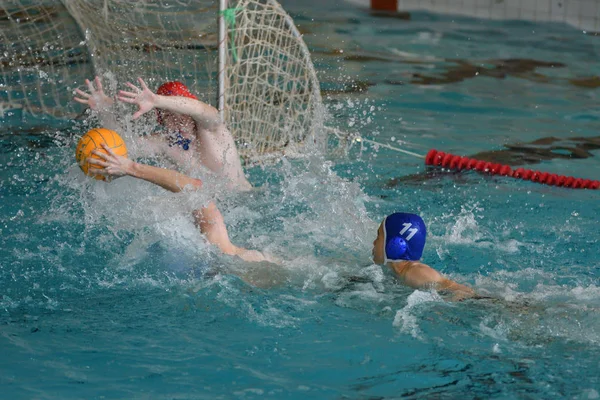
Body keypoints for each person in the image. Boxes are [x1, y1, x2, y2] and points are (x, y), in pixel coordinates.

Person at [87, 143, 270, 264]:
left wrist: (132, 168)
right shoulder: (219, 256)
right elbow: (196, 193)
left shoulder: (227, 256)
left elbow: (197, 191)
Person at [73, 76, 252, 191]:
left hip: (245, 204)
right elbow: (120, 148)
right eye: (168, 117)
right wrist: (106, 111)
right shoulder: (166, 143)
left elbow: (205, 111)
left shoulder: (213, 131)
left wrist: (158, 100)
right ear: (161, 121)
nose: (177, 121)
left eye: (181, 114)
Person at [372, 212, 475, 301]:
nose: (374, 242)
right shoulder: (392, 271)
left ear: (396, 244)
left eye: (379, 236)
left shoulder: (415, 272)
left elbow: (463, 292)